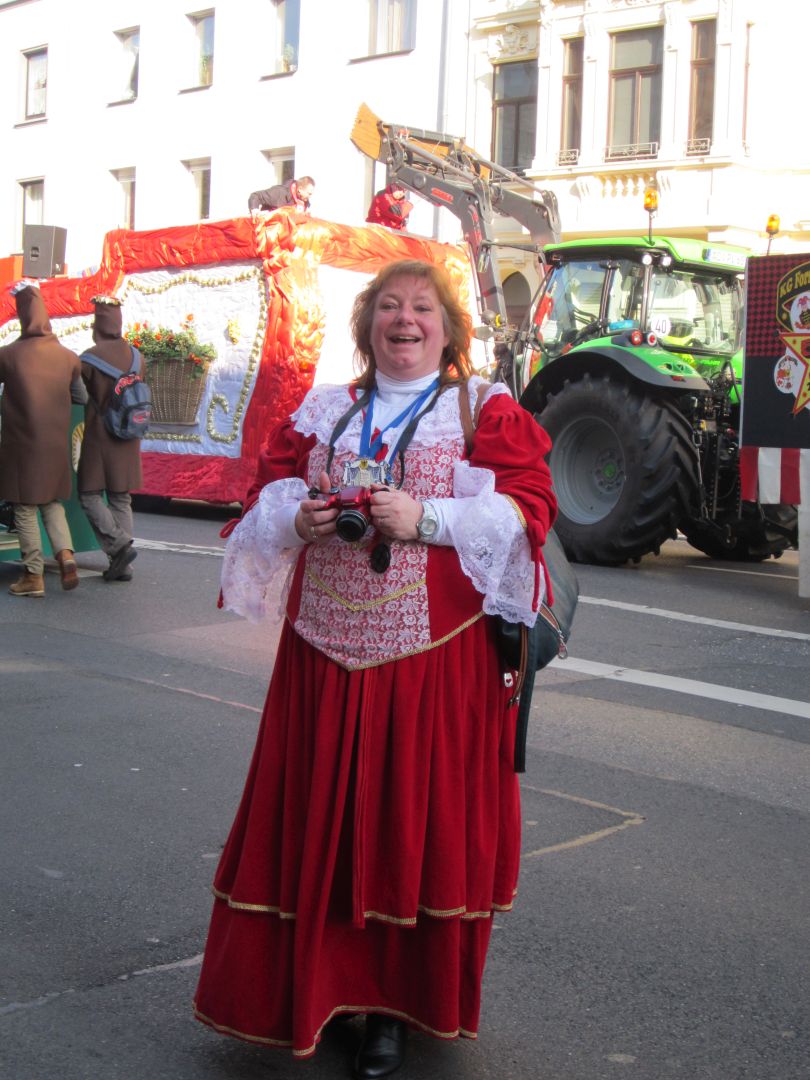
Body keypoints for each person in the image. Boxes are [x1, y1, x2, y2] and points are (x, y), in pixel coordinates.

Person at [193, 259, 556, 1079]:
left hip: (432, 661)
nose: (404, 319)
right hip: (323, 655)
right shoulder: (327, 411)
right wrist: (301, 519)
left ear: (447, 328)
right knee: (322, 820)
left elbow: (529, 506)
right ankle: (322, 991)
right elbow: (262, 497)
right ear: (368, 327)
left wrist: (426, 517)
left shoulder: (482, 407)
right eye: (388, 306)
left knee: (404, 825)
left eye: (422, 307)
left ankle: (392, 1007)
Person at [0, 281, 85, 597]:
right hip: (54, 445)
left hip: (21, 446)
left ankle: (32, 576)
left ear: (23, 316)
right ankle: (65, 555)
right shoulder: (68, 357)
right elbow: (81, 397)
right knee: (51, 503)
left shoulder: (8, 355)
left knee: (24, 507)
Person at [77, 296, 142, 582]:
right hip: (129, 433)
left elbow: (77, 394)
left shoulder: (89, 358)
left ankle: (119, 546)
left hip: (100, 433)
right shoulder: (137, 357)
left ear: (98, 325)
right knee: (120, 496)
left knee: (89, 494)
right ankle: (122, 567)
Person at [248, 175, 315, 214]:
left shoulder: (304, 202)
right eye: (309, 194)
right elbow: (255, 196)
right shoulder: (279, 193)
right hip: (269, 230)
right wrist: (254, 210)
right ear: (300, 190)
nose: (310, 197)